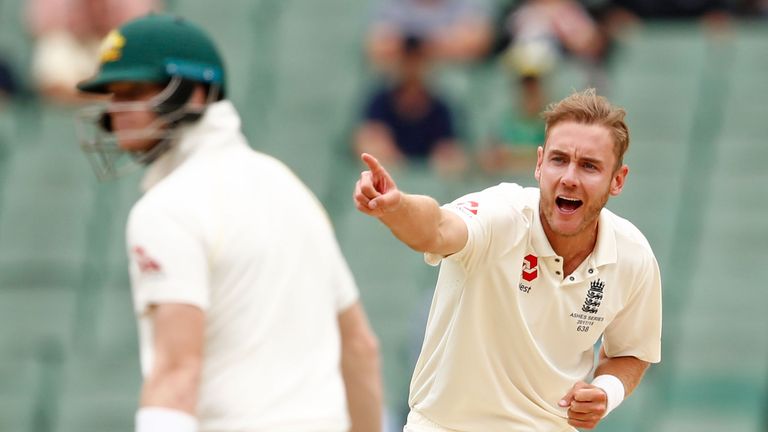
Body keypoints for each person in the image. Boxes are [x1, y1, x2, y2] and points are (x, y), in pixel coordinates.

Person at [74, 14, 382, 432]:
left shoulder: (166, 209)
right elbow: (361, 347)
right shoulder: (290, 188)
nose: (117, 110)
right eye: (113, 94)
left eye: (136, 90)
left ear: (197, 94)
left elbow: (176, 375)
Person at [353, 88, 661, 431]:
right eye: (559, 160)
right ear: (539, 163)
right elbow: (437, 229)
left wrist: (606, 391)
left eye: (589, 166)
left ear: (617, 180)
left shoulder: (633, 256)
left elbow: (632, 351)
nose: (570, 178)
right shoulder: (501, 214)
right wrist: (398, 207)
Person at [355, 35, 467, 175]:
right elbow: (368, 140)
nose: (413, 66)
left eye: (418, 59)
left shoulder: (441, 107)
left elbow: (450, 150)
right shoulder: (379, 101)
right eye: (408, 59)